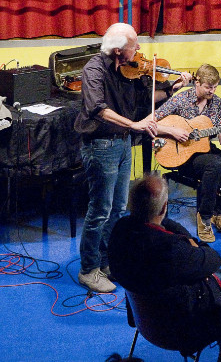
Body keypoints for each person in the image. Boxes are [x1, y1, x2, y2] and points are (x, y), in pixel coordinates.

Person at [107, 175, 221, 359]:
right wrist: (194, 245)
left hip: (145, 322)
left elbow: (165, 225)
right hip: (180, 330)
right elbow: (214, 259)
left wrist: (185, 242)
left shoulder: (120, 230)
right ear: (164, 207)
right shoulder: (171, 249)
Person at [74, 22, 158, 293]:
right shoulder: (94, 70)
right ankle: (88, 269)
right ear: (119, 50)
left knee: (119, 208)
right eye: (134, 45)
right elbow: (97, 108)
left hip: (122, 144)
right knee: (100, 210)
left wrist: (174, 87)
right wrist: (133, 125)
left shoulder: (126, 70)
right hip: (101, 146)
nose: (139, 48)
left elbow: (145, 99)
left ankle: (106, 261)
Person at [153, 64, 221, 242]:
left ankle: (219, 212)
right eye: (208, 87)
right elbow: (151, 122)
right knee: (214, 163)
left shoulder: (217, 104)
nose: (212, 91)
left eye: (215, 87)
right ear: (197, 83)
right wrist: (173, 131)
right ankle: (204, 218)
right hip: (183, 157)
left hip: (206, 150)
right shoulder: (181, 99)